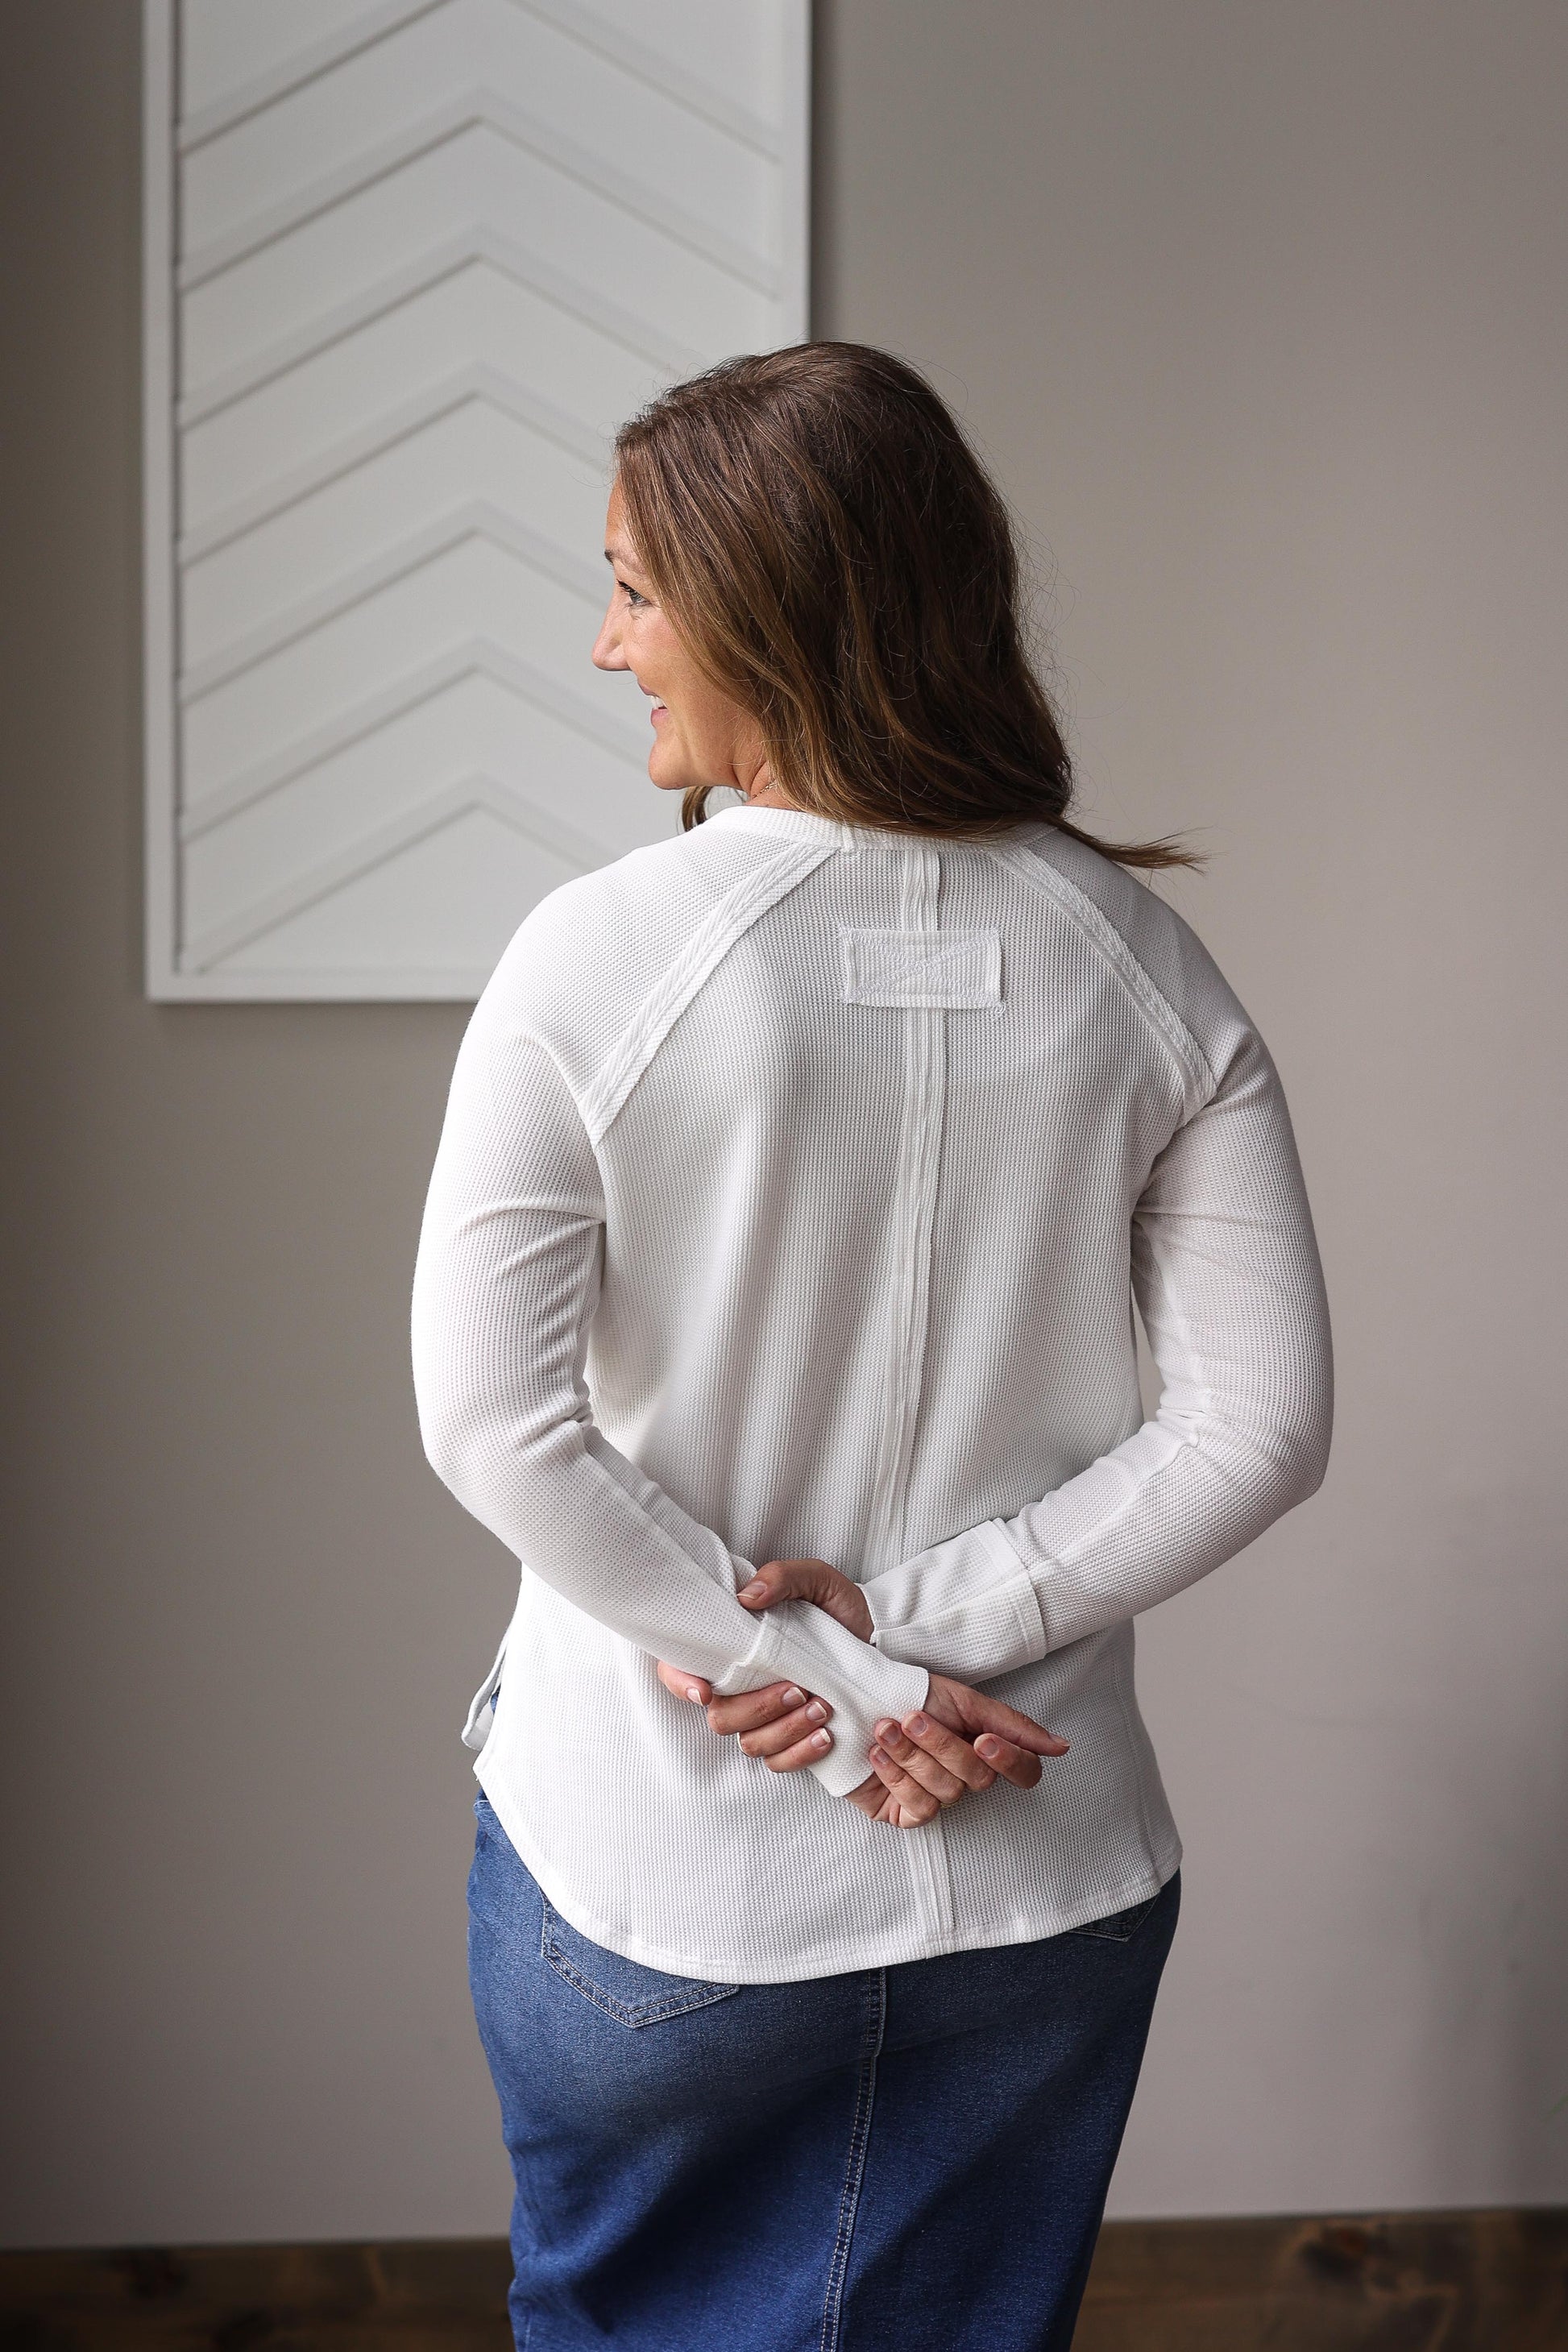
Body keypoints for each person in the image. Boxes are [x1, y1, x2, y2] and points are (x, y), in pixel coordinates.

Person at [410, 342, 1333, 2352]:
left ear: (763, 605)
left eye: (633, 591)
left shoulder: (596, 953)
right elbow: (1257, 1427)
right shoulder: (1146, 966)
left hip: (667, 1871)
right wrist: (909, 1646)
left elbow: (494, 1420)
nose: (605, 645)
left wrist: (822, 1675)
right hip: (1037, 1876)